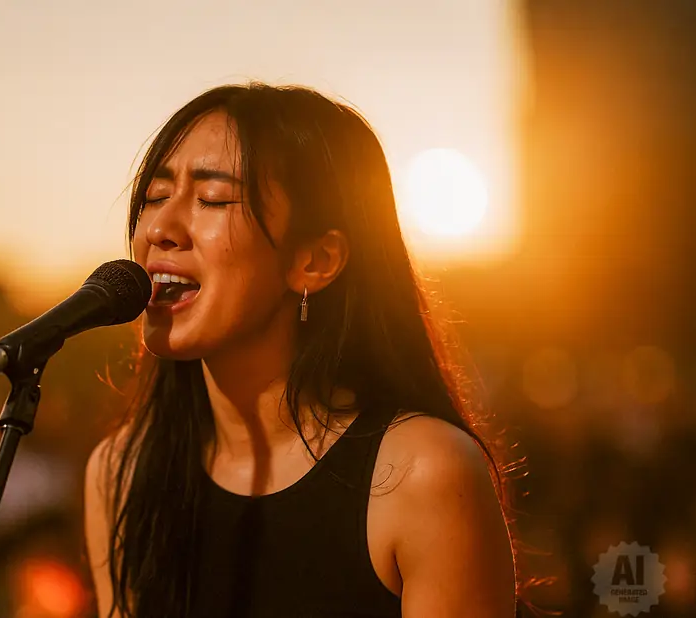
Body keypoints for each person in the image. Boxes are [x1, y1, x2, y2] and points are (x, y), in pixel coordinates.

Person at [84, 82, 517, 618]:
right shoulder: (121, 473)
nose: (159, 229)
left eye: (212, 199)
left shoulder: (422, 472)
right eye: (154, 196)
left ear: (316, 261)